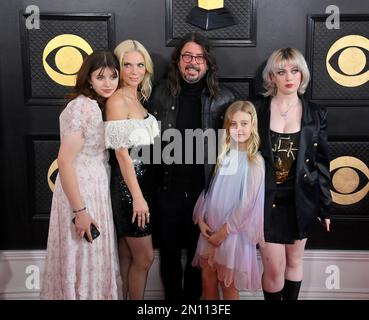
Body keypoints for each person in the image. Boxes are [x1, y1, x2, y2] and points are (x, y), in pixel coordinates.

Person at [148, 32, 235, 301]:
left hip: (205, 193)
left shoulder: (225, 99)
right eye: (187, 56)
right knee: (170, 256)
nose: (193, 62)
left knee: (200, 260)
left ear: (207, 63)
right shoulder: (158, 94)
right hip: (167, 190)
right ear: (178, 61)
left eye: (199, 57)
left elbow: (236, 150)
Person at [40, 50, 121, 300]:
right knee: (84, 256)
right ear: (89, 79)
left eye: (113, 76)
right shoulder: (82, 108)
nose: (108, 83)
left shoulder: (98, 105)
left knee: (91, 258)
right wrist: (80, 212)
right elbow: (64, 161)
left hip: (95, 188)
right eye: (100, 77)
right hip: (81, 192)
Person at [253, 48, 332, 300]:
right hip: (266, 201)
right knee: (274, 269)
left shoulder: (316, 114)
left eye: (295, 70)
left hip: (302, 199)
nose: (289, 76)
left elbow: (321, 164)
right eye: (282, 71)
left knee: (295, 262)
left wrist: (325, 207)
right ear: (271, 77)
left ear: (302, 75)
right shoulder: (256, 110)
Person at [192, 101, 265, 300]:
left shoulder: (255, 161)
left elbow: (247, 203)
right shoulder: (223, 155)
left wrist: (223, 232)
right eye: (233, 124)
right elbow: (211, 190)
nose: (239, 129)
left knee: (229, 285)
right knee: (207, 281)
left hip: (232, 233)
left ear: (253, 126)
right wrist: (201, 220)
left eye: (244, 123)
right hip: (210, 228)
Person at [104, 40, 159, 300]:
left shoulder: (137, 97)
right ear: (119, 67)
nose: (135, 71)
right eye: (128, 65)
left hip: (144, 184)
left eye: (140, 64)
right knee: (145, 257)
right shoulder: (117, 100)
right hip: (129, 188)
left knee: (127, 254)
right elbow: (121, 153)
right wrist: (137, 197)